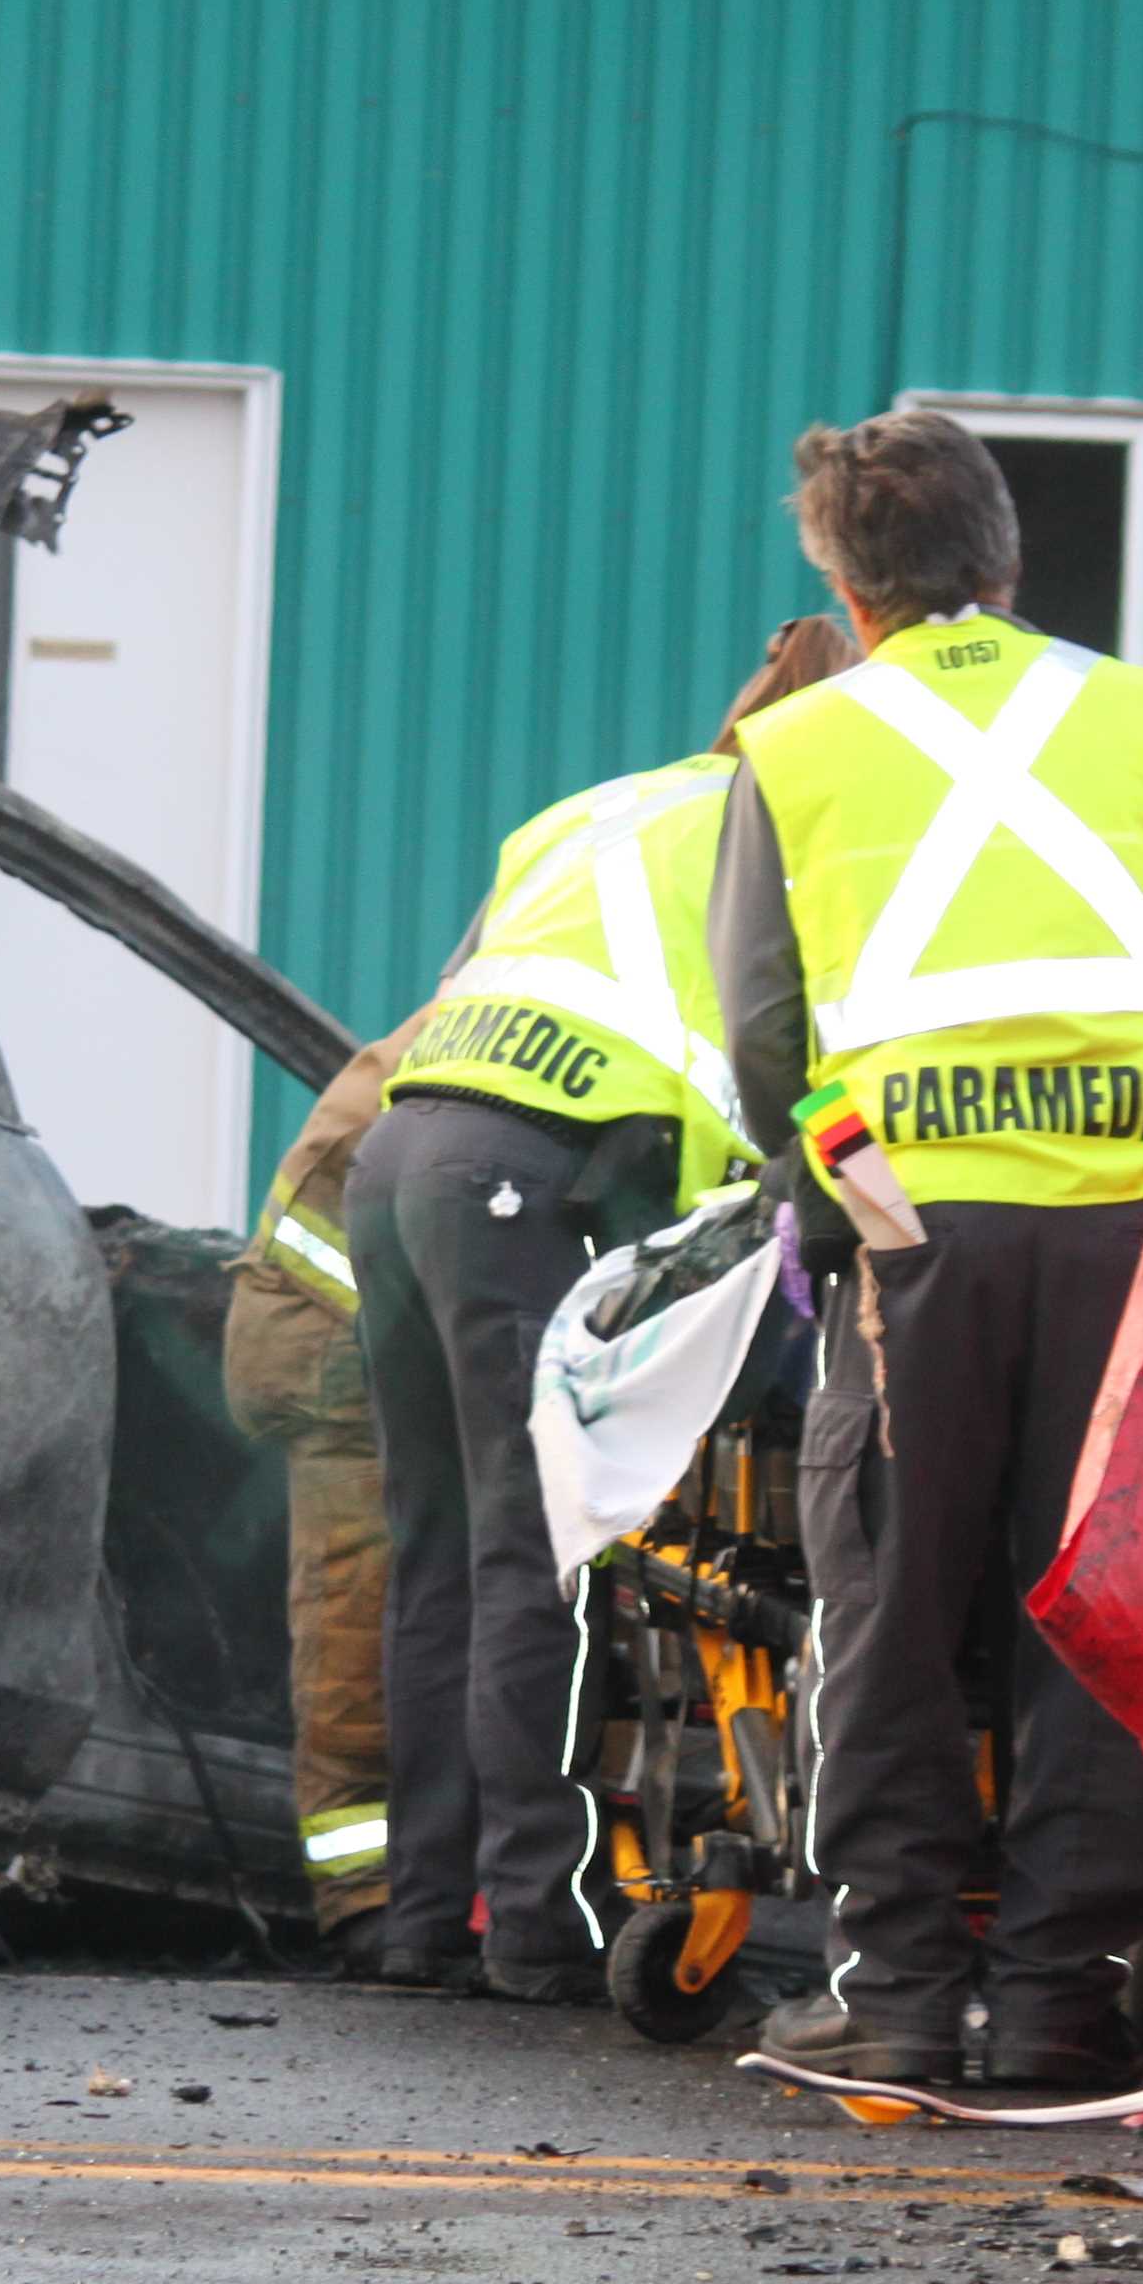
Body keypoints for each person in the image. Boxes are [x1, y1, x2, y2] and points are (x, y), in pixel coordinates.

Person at [716, 411, 1143, 2088]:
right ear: (1010, 556)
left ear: (843, 585)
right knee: (1084, 1623)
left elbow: (759, 1030)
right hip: (1122, 1238)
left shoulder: (796, 746)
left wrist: (847, 1211)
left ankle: (889, 2004)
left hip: (913, 1245)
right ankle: (1058, 2010)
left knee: (885, 1611)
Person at [351, 640, 798, 2003]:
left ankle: (425, 1918)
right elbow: (766, 1055)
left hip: (404, 1151)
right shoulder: (773, 824)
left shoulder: (591, 808)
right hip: (516, 1173)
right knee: (533, 1547)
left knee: (437, 1552)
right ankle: (539, 1930)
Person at [224, 1009, 426, 1977]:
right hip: (329, 1347)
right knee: (358, 1612)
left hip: (364, 1324)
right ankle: (364, 1899)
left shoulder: (479, 1011)